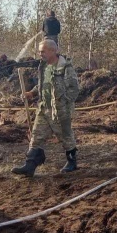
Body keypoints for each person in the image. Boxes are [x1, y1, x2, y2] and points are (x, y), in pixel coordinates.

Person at [12, 39, 79, 177]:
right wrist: (32, 92)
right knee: (36, 136)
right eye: (39, 51)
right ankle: (30, 165)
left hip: (59, 110)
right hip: (43, 107)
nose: (40, 54)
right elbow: (43, 84)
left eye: (43, 51)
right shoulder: (43, 66)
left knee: (64, 136)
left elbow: (74, 88)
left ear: (53, 51)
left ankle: (72, 162)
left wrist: (64, 103)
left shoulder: (65, 67)